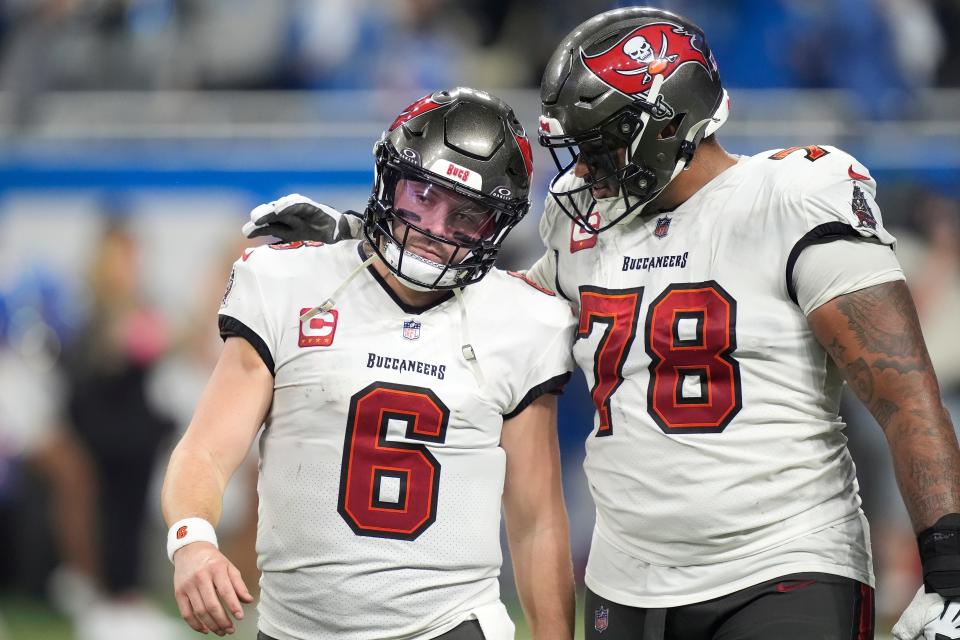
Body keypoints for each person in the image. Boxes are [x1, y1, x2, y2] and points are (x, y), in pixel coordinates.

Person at [246, 8, 960, 640]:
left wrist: (949, 566)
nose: (586, 167)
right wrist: (359, 238)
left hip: (784, 560)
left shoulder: (795, 193)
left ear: (669, 120)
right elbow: (489, 310)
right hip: (628, 581)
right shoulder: (577, 223)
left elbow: (904, 392)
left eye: (603, 142)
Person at [162, 87, 577, 640]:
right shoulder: (291, 284)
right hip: (294, 629)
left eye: (466, 217)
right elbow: (206, 451)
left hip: (450, 625)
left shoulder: (520, 319)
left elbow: (536, 522)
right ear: (388, 180)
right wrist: (191, 542)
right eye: (422, 195)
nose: (434, 229)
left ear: (496, 229)